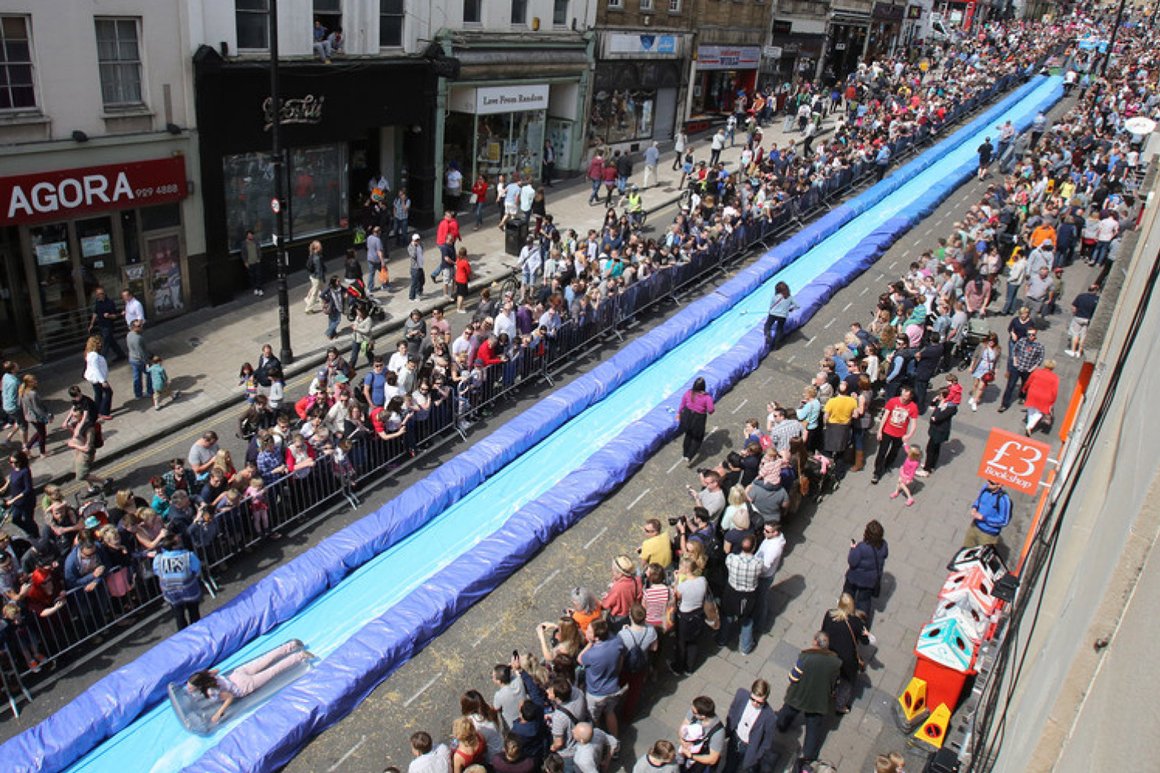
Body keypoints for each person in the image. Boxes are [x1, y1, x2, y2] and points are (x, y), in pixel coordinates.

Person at [186, 640, 314, 725]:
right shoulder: (208, 676)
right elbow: (217, 670)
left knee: (272, 671)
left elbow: (229, 698)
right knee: (265, 660)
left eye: (191, 688)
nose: (189, 689)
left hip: (243, 686)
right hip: (237, 674)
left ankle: (300, 656)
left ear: (200, 686)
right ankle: (291, 645)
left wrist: (218, 714)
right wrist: (207, 675)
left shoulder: (211, 691)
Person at [773, 632, 841, 769]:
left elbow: (793, 677)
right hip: (819, 700)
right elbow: (835, 683)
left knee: (788, 711)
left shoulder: (805, 657)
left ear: (815, 642)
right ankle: (809, 754)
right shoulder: (836, 662)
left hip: (799, 695)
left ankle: (781, 726)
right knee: (813, 728)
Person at [820, 594, 874, 714]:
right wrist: (866, 634)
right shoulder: (856, 623)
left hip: (830, 655)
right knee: (846, 684)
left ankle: (830, 692)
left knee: (831, 677)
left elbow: (823, 631)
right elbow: (866, 642)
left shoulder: (829, 614)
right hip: (847, 661)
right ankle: (840, 706)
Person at [722, 678, 776, 773]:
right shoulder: (741, 695)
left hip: (749, 747)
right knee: (729, 765)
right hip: (735, 738)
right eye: (753, 699)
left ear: (766, 699)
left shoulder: (769, 717)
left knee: (744, 768)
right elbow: (732, 711)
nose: (755, 703)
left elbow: (767, 742)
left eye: (759, 702)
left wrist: (757, 757)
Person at [152, 534, 202, 631]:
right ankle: (197, 633)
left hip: (171, 592)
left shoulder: (159, 559)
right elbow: (197, 569)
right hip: (189, 589)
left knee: (179, 615)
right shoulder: (188, 556)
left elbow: (157, 571)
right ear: (174, 546)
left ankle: (183, 636)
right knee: (194, 613)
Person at [871, 386, 917, 484]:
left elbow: (913, 422)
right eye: (903, 395)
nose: (903, 398)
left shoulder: (913, 407)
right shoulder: (893, 401)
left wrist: (909, 435)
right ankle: (877, 473)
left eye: (906, 397)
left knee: (894, 451)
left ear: (910, 397)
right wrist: (879, 430)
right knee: (882, 452)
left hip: (900, 434)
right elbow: (885, 416)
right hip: (887, 431)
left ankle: (887, 465)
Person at [843, 520, 887, 618]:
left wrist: (852, 548)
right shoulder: (884, 545)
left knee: (848, 594)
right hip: (870, 581)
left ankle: (843, 615)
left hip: (855, 578)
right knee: (864, 601)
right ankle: (861, 623)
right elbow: (885, 555)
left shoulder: (861, 547)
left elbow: (852, 561)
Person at [999, 328, 1044, 413]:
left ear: (1035, 335)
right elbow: (1015, 350)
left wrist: (1032, 368)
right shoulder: (1022, 341)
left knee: (1025, 385)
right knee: (1010, 386)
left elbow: (1040, 359)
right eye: (1029, 334)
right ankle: (1004, 404)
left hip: (1027, 369)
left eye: (1033, 335)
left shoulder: (1039, 346)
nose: (1031, 336)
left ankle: (1022, 396)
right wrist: (1015, 361)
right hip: (1017, 368)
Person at [916, 386, 957, 477]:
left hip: (939, 430)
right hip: (937, 429)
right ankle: (930, 466)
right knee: (935, 448)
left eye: (940, 395)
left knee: (930, 449)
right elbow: (932, 406)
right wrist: (934, 401)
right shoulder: (944, 403)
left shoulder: (949, 407)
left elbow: (937, 417)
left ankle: (926, 470)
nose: (939, 396)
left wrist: (937, 410)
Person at [677, 696, 724, 773]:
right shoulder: (694, 712)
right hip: (686, 753)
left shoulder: (718, 733)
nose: (691, 712)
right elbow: (683, 727)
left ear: (703, 716)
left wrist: (691, 756)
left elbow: (712, 759)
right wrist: (682, 740)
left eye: (694, 712)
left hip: (700, 761)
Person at [963, 480, 1012, 548]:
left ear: (1000, 485)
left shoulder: (1004, 500)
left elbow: (1004, 521)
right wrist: (974, 507)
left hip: (988, 534)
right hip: (974, 526)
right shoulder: (985, 488)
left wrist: (984, 518)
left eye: (992, 483)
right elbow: (979, 499)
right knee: (966, 548)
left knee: (981, 555)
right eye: (988, 480)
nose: (988, 483)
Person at [677, 377, 715, 465]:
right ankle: (689, 456)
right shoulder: (707, 397)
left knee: (688, 435)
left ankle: (685, 453)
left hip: (687, 416)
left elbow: (682, 404)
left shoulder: (688, 393)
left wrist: (679, 413)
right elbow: (711, 410)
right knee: (697, 438)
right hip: (698, 418)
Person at [1, 450, 36, 539]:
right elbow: (12, 476)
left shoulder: (25, 471)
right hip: (16, 501)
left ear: (20, 461)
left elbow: (28, 489)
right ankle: (29, 531)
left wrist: (12, 500)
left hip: (26, 502)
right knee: (15, 519)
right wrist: (5, 486)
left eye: (14, 462)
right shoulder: (15, 468)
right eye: (10, 462)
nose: (12, 464)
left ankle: (35, 534)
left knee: (28, 520)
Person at [88, 287, 125, 362]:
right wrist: (91, 324)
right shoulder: (97, 302)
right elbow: (95, 313)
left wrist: (109, 316)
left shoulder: (109, 302)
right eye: (98, 294)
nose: (100, 295)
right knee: (111, 341)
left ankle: (101, 360)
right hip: (101, 325)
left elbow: (115, 315)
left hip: (108, 326)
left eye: (102, 293)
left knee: (106, 343)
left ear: (104, 293)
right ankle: (121, 355)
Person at [1022, 360, 1059, 436]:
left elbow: (1029, 381)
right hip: (1045, 396)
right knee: (1040, 412)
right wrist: (1052, 401)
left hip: (1033, 393)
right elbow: (1054, 391)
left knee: (1031, 408)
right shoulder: (1055, 378)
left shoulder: (1037, 372)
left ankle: (1029, 424)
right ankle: (1029, 426)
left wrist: (1024, 388)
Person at [1066, 284, 1099, 358]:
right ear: (1095, 290)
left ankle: (1073, 350)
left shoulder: (1081, 296)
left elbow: (1074, 307)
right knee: (1083, 336)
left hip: (1078, 317)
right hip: (1087, 319)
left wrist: (1074, 314)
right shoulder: (1097, 300)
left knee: (1075, 334)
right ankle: (1079, 352)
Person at [763, 281, 798, 350]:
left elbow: (772, 306)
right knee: (779, 328)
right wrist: (790, 309)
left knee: (767, 325)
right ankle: (776, 345)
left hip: (773, 313)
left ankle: (767, 333)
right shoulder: (789, 297)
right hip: (782, 315)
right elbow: (795, 306)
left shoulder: (775, 297)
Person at [304, 240, 327, 313]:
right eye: (320, 246)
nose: (322, 247)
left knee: (322, 291)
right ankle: (308, 308)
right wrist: (322, 278)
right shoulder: (317, 258)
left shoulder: (313, 254)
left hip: (313, 276)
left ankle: (323, 304)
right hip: (317, 278)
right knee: (315, 293)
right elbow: (319, 270)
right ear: (317, 248)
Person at [321, 275, 344, 341]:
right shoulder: (329, 288)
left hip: (338, 306)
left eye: (339, 281)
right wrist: (327, 299)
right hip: (332, 307)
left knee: (332, 321)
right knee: (337, 321)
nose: (339, 282)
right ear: (334, 282)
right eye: (338, 281)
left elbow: (346, 290)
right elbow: (321, 295)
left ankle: (333, 334)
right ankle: (328, 333)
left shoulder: (340, 287)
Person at [243, 229, 264, 296]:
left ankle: (259, 288)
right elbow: (243, 253)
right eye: (249, 235)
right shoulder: (244, 244)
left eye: (252, 235)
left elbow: (259, 250)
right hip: (249, 262)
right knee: (252, 276)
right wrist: (245, 262)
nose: (251, 236)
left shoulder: (256, 242)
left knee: (258, 275)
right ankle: (255, 289)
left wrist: (259, 258)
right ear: (247, 236)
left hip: (256, 261)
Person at [366, 225, 386, 293]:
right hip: (377, 260)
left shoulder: (369, 237)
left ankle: (369, 288)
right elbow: (379, 251)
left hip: (369, 258)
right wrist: (382, 261)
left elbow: (368, 247)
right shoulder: (378, 240)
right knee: (383, 271)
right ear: (379, 232)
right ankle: (384, 285)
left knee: (371, 273)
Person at [407, 233, 425, 302]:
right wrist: (414, 246)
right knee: (415, 283)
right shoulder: (410, 247)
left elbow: (422, 250)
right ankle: (412, 297)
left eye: (418, 240)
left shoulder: (420, 245)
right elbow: (413, 255)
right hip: (415, 268)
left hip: (420, 266)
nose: (417, 241)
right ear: (413, 240)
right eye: (416, 240)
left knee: (422, 281)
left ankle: (419, 292)